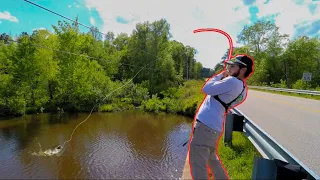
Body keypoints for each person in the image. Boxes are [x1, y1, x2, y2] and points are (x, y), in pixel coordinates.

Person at [188, 55, 254, 180]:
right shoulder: (243, 89)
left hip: (206, 126)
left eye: (233, 66)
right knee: (212, 159)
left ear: (243, 69)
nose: (229, 68)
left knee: (198, 163)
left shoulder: (232, 81)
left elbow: (206, 88)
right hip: (214, 127)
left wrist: (220, 76)